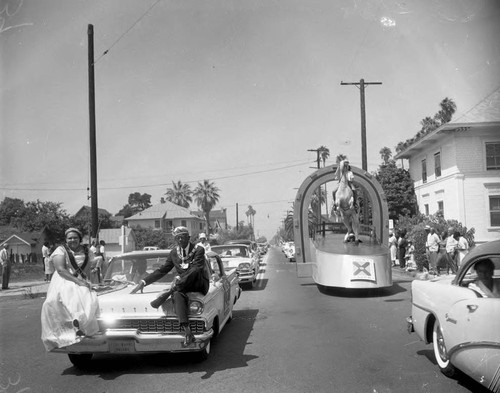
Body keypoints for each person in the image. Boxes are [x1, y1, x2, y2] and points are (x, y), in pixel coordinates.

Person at [130, 226, 210, 346]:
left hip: (197, 283)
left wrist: (179, 280)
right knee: (177, 294)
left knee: (184, 281)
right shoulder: (174, 253)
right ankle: (187, 331)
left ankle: (174, 289)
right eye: (177, 238)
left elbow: (196, 269)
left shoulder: (199, 250)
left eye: (182, 237)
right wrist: (143, 282)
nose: (180, 240)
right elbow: (163, 270)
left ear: (188, 238)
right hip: (181, 286)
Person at [40, 228, 99, 351]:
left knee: (88, 297)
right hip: (65, 279)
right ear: (66, 240)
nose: (73, 240)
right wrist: (77, 281)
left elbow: (88, 269)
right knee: (57, 300)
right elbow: (61, 270)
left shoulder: (87, 251)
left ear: (80, 239)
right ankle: (69, 328)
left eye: (75, 237)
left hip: (82, 279)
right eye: (70, 238)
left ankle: (81, 325)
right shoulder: (60, 251)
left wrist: (88, 281)